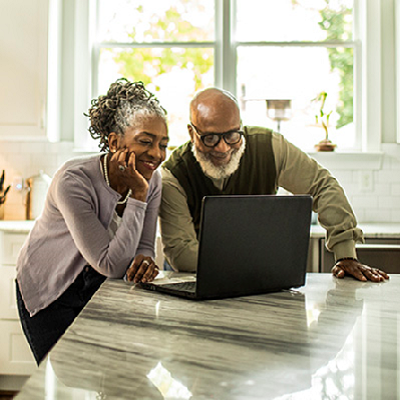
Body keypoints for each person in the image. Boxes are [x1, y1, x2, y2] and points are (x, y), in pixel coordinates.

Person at [159, 87, 389, 282]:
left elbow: (322, 186)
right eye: (210, 138)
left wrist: (345, 253)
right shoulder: (173, 174)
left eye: (232, 135)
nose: (223, 148)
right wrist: (262, 261)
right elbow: (181, 254)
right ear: (191, 132)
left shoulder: (270, 147)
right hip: (194, 278)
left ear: (240, 125)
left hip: (259, 276)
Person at [16, 79, 169, 364]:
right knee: (62, 385)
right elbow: (111, 264)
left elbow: (144, 247)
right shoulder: (73, 181)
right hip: (51, 289)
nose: (157, 154)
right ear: (114, 142)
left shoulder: (153, 180)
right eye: (146, 141)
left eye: (163, 144)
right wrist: (137, 194)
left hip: (99, 287)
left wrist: (145, 261)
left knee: (109, 377)